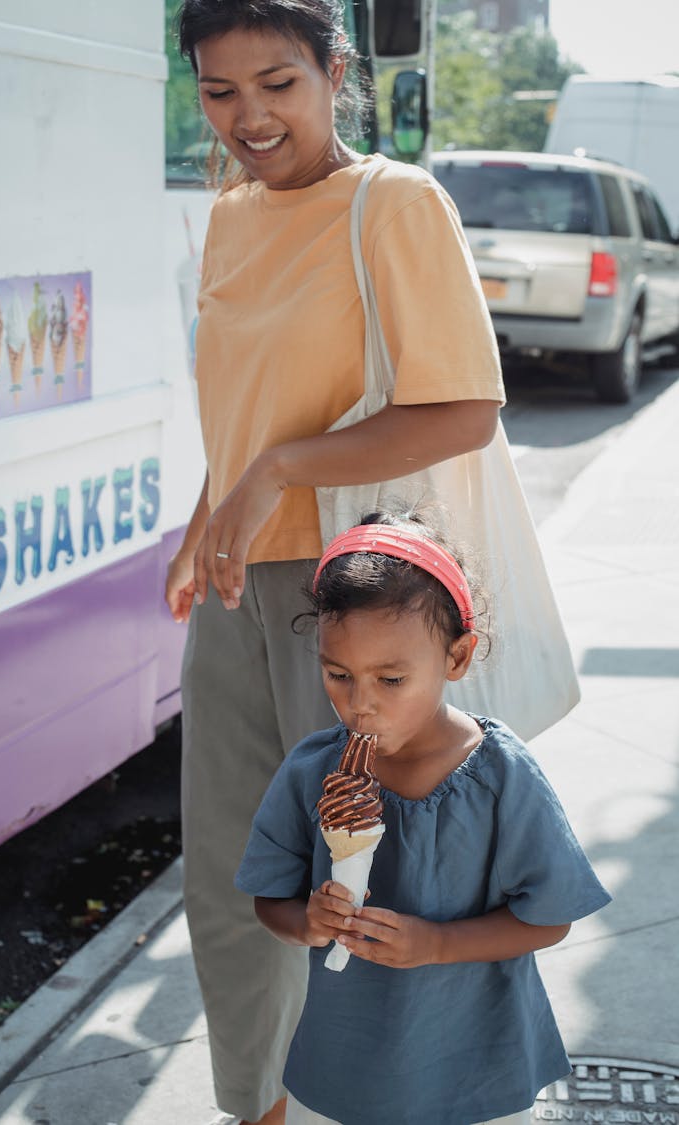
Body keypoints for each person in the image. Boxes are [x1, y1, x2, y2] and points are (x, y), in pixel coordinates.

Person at [166, 2, 506, 1122]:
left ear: (334, 72)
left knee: (365, 885)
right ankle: (256, 1107)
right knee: (237, 882)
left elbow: (461, 408)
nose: (249, 117)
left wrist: (279, 469)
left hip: (355, 598)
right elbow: (252, 412)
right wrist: (216, 505)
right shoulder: (226, 216)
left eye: (277, 84)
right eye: (220, 94)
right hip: (239, 588)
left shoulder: (393, 203)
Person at [235, 511, 611, 1125]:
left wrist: (438, 942)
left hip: (473, 1062)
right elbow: (268, 899)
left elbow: (549, 920)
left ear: (457, 657)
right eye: (338, 674)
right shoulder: (311, 772)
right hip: (345, 1061)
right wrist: (306, 922)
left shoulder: (502, 776)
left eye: (391, 679)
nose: (360, 702)